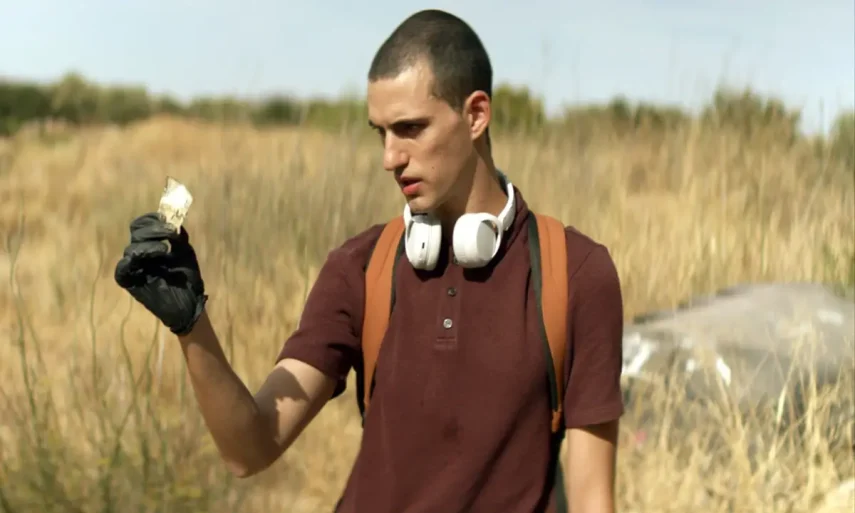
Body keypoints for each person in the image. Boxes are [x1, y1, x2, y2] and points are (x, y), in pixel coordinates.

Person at [113, 9, 625, 513]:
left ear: (475, 115)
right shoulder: (360, 268)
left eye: (410, 128)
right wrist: (191, 325)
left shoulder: (575, 274)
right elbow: (250, 449)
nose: (390, 158)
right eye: (381, 132)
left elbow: (591, 499)